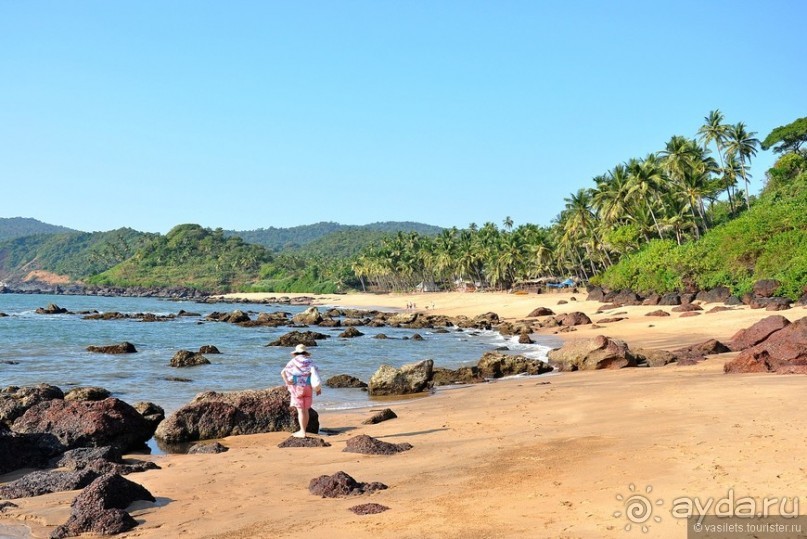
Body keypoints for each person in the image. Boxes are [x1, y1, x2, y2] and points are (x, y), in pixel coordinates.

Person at [280, 344, 322, 438]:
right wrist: (318, 388)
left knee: (300, 411)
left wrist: (287, 381)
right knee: (306, 410)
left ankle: (302, 432)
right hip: (308, 387)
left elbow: (283, 372)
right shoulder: (310, 361)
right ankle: (304, 431)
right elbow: (316, 374)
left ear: (295, 353)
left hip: (297, 388)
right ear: (305, 352)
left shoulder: (293, 361)